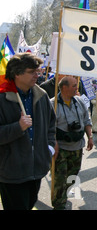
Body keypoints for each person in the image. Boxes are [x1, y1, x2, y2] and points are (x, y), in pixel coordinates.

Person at [0, 53, 56, 210]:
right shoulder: (3, 98)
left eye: (38, 71)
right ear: (17, 74)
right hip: (12, 173)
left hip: (37, 169)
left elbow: (51, 124)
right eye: (32, 72)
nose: (37, 75)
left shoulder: (41, 95)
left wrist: (49, 148)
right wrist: (18, 128)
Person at [51, 76, 93, 210]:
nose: (77, 88)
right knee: (60, 179)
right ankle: (59, 204)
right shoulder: (53, 104)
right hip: (61, 147)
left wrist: (90, 136)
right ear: (64, 87)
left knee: (72, 177)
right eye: (74, 85)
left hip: (77, 147)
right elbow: (48, 127)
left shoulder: (79, 101)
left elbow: (87, 120)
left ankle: (62, 195)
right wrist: (54, 143)